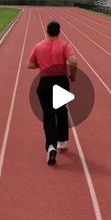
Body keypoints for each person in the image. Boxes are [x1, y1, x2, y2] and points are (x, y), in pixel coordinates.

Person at [27, 20, 78, 165]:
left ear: (47, 31)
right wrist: (72, 75)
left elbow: (29, 64)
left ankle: (50, 145)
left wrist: (41, 64)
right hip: (61, 81)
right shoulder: (64, 45)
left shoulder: (38, 46)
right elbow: (73, 61)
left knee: (48, 114)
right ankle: (62, 141)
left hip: (45, 82)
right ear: (59, 31)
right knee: (61, 111)